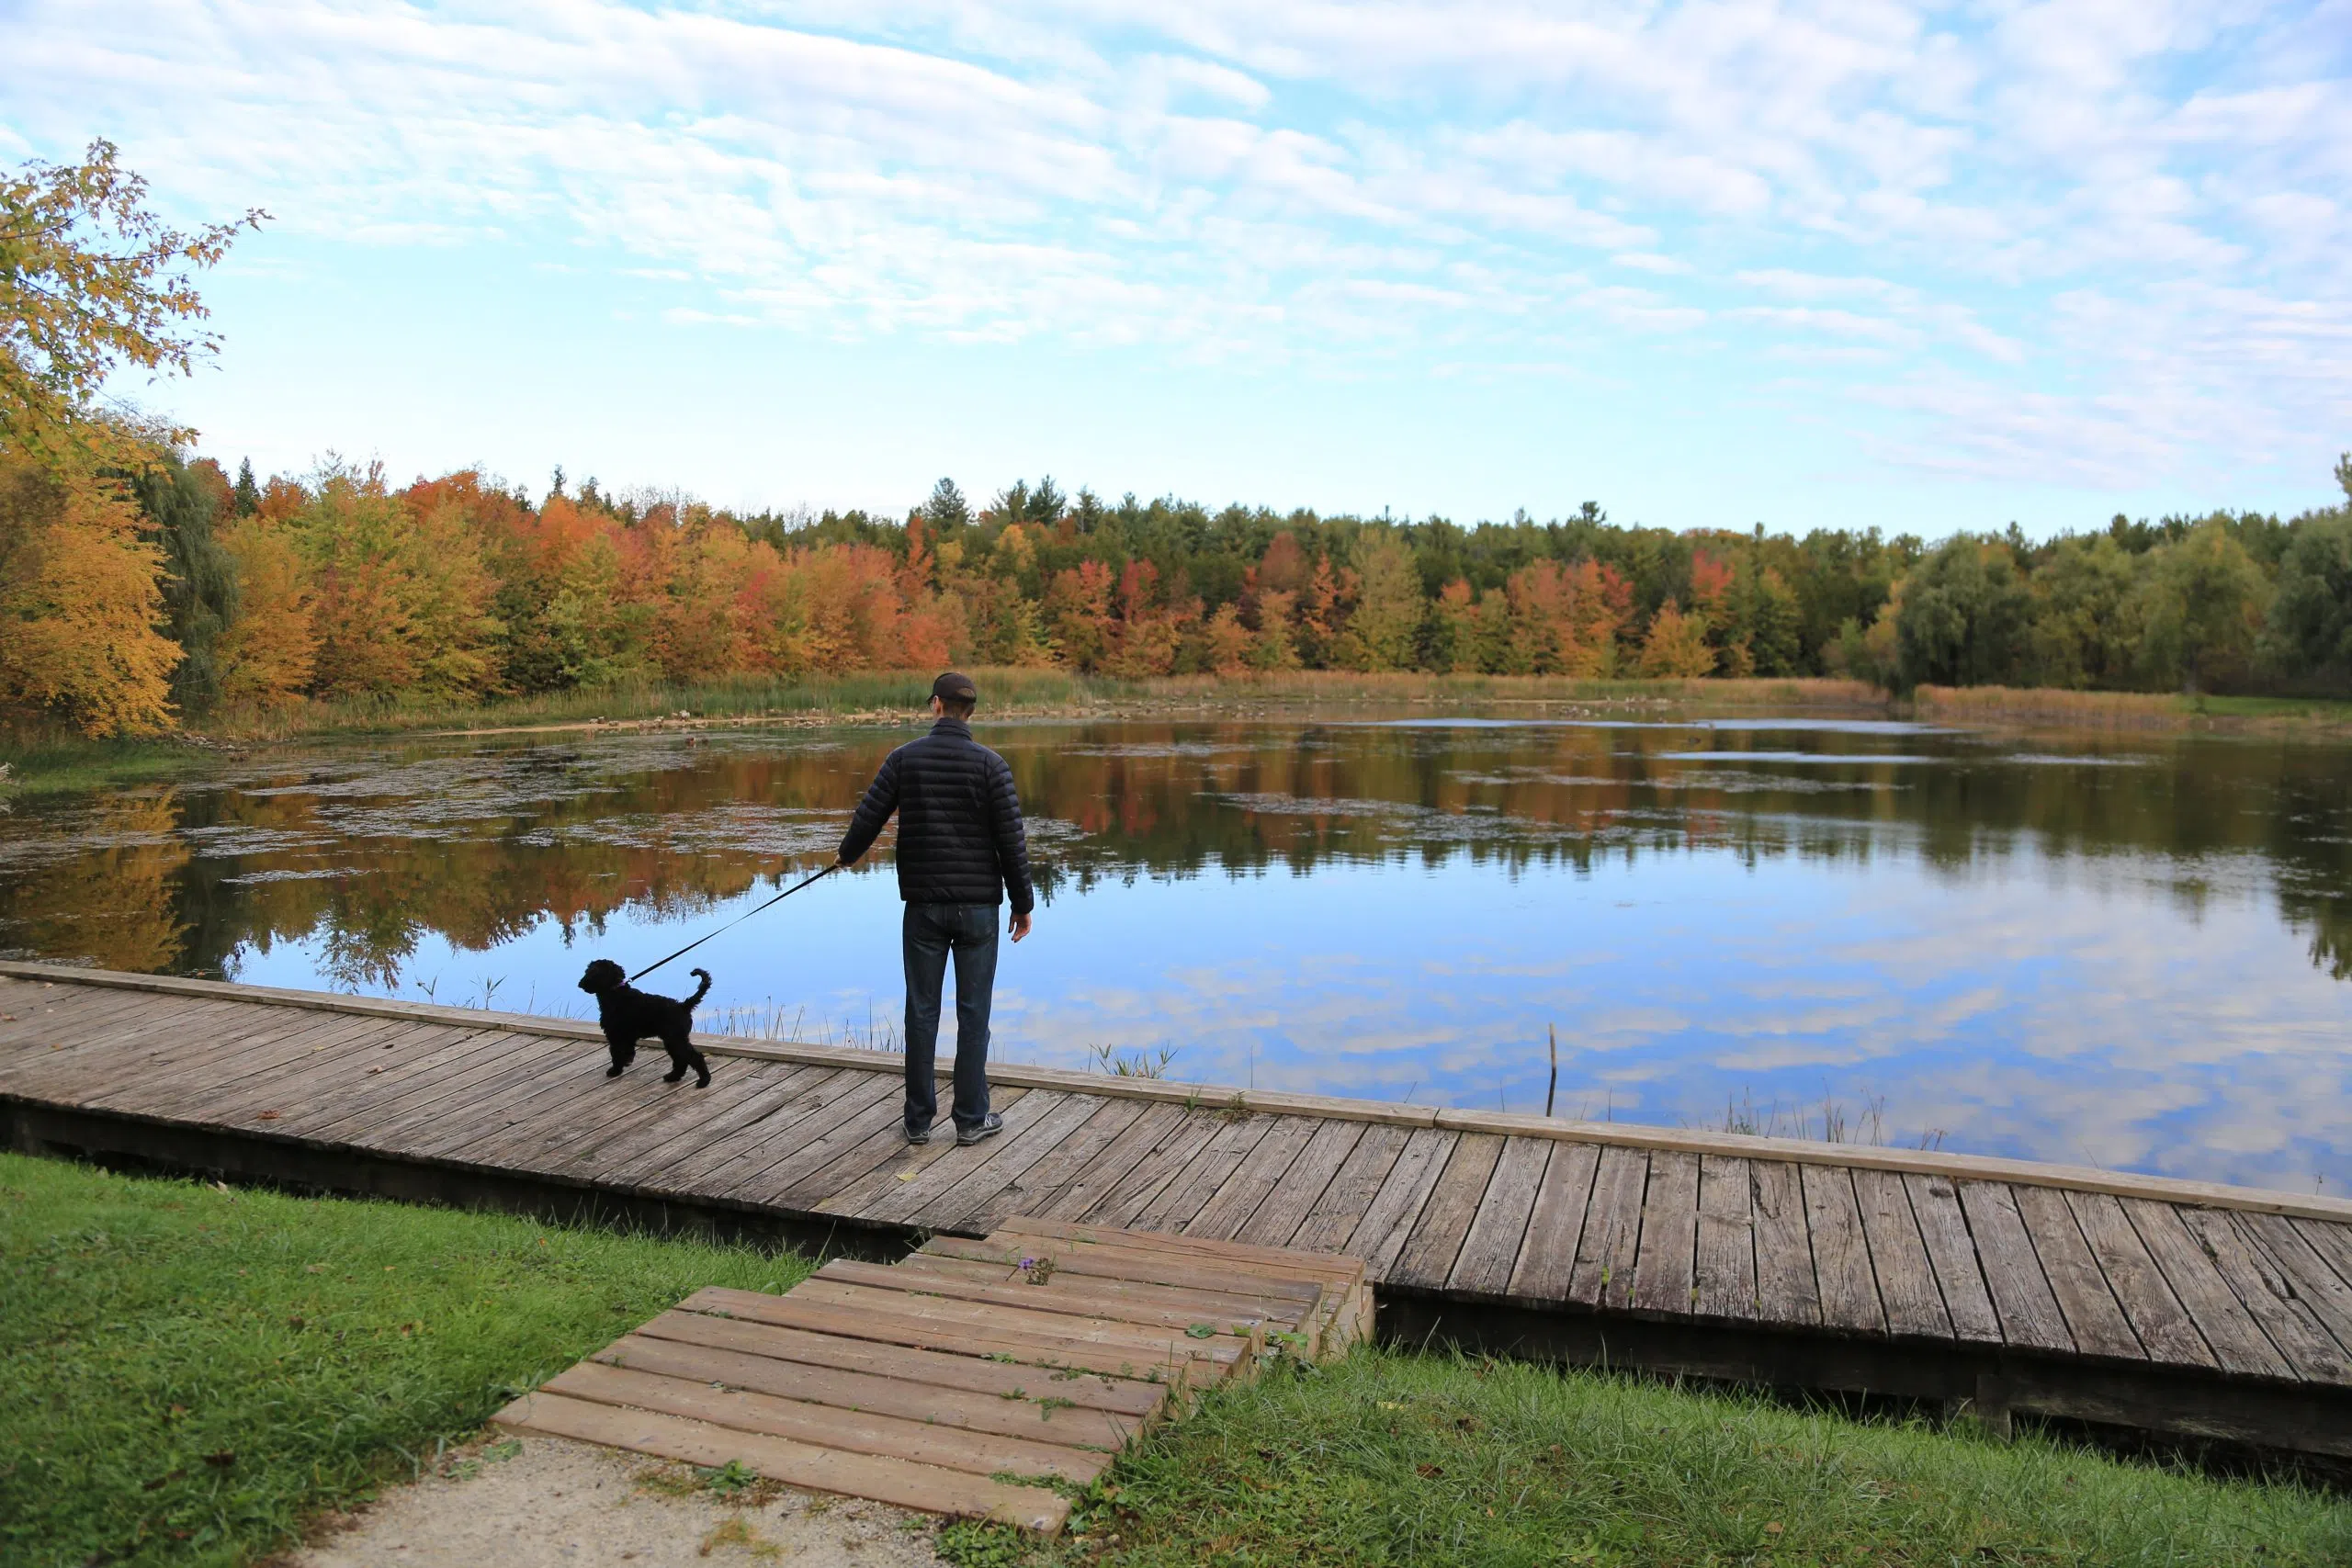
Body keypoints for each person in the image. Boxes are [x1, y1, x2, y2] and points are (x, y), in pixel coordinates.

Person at [835, 671, 1035, 1146]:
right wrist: (1023, 903)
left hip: (923, 907)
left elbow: (870, 815)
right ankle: (970, 1120)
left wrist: (847, 855)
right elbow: (1012, 841)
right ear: (971, 711)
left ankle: (918, 1120)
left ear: (936, 706)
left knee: (921, 1012)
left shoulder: (905, 759)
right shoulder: (992, 765)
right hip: (979, 910)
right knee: (974, 1014)